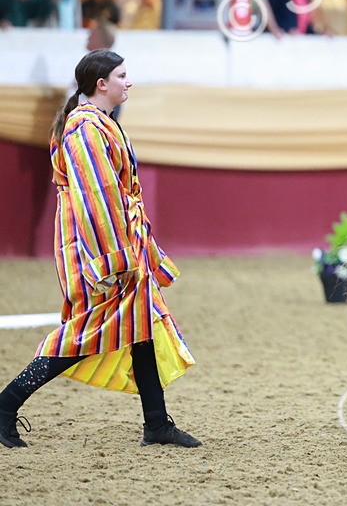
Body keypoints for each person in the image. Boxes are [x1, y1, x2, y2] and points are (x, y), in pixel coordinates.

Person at [0, 50, 200, 449]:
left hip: (118, 242)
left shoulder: (99, 124)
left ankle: (157, 424)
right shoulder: (87, 129)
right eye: (122, 75)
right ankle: (5, 405)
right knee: (88, 332)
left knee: (138, 326)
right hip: (102, 248)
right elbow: (98, 196)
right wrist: (115, 258)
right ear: (101, 83)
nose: (129, 81)